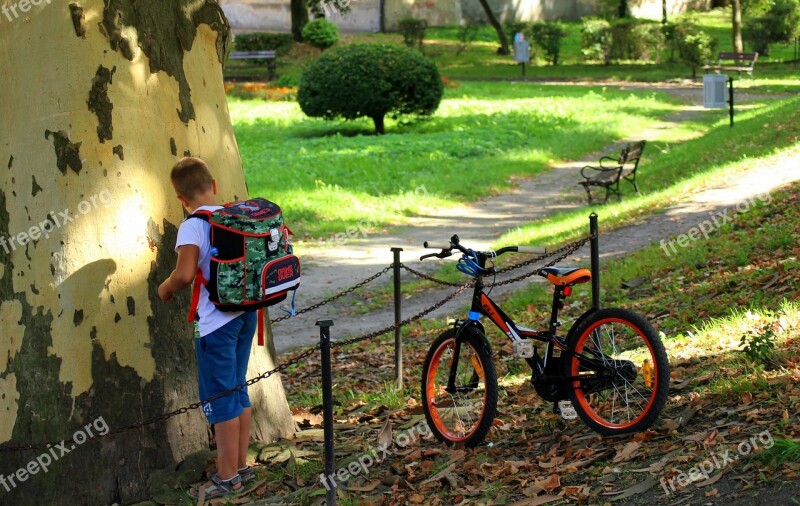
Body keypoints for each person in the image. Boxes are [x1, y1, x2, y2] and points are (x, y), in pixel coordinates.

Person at [158, 157, 256, 498]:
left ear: (181, 199)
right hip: (246, 313)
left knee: (221, 396)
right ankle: (241, 466)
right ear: (213, 186)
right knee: (237, 388)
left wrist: (166, 288)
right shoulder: (235, 215)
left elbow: (185, 275)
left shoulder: (192, 225)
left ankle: (227, 476)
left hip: (215, 323)